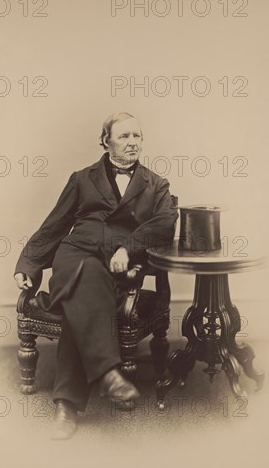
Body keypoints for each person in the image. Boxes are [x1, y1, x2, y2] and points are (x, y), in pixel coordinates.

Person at [14, 112, 178, 439]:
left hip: (117, 265)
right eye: (124, 136)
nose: (133, 142)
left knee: (81, 297)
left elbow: (164, 224)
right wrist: (28, 265)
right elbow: (55, 224)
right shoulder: (81, 179)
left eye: (137, 136)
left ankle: (67, 406)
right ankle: (108, 372)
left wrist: (128, 248)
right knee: (84, 273)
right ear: (105, 141)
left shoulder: (156, 184)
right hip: (74, 253)